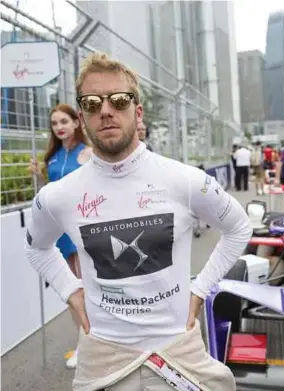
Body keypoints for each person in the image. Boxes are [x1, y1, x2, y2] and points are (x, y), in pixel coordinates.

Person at [24, 52, 252, 390]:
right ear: (83, 118)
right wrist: (71, 290)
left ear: (137, 110)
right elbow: (37, 247)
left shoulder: (186, 180)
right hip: (103, 356)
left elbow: (239, 227)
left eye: (119, 100)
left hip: (179, 351)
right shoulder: (58, 195)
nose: (105, 110)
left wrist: (200, 290)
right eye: (91, 103)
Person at [29, 103, 92, 369]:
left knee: (88, 286)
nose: (59, 127)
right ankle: (85, 341)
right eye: (55, 123)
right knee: (71, 289)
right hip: (59, 231)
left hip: (82, 228)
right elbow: (52, 193)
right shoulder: (53, 157)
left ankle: (94, 342)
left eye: (64, 121)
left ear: (77, 122)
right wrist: (40, 177)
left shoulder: (87, 153)